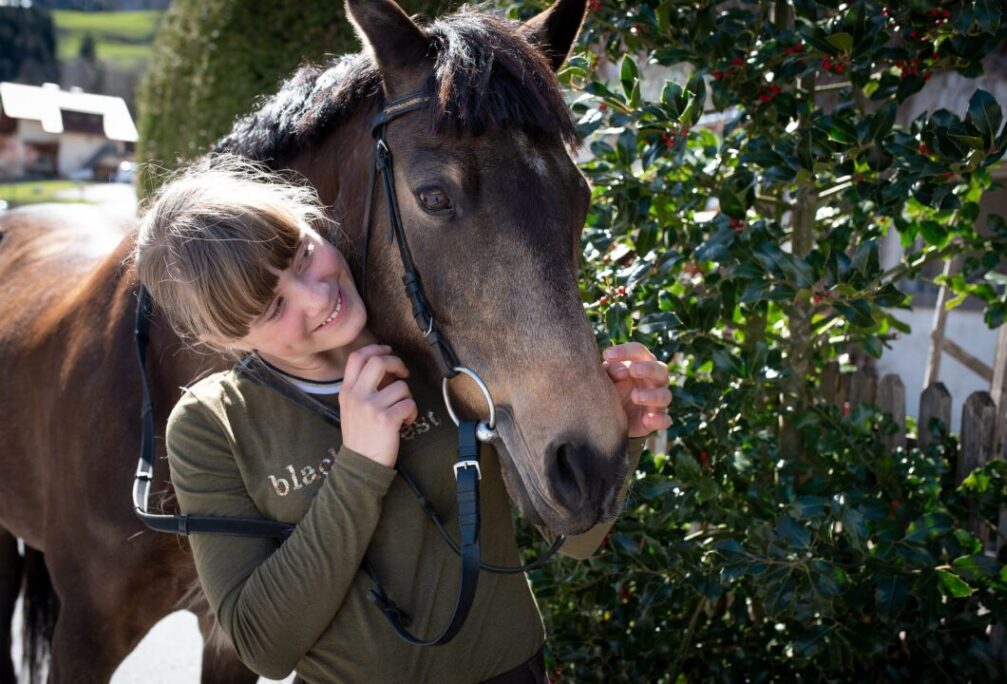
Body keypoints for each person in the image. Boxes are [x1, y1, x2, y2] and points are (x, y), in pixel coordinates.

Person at [132, 158, 672, 683]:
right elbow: (263, 647)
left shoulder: (436, 346)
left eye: (302, 256)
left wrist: (619, 432)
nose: (317, 296)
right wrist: (360, 465)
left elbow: (573, 538)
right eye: (274, 307)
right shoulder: (212, 424)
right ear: (226, 337)